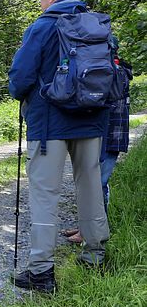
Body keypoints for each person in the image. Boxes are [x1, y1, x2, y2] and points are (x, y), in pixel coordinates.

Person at [8, 0, 110, 293]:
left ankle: (41, 272)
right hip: (92, 120)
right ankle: (95, 255)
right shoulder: (99, 26)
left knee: (45, 195)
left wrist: (20, 93)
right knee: (91, 186)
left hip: (49, 124)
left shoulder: (42, 27)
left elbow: (20, 78)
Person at [62, 59, 132, 243]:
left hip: (110, 136)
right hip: (106, 134)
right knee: (92, 182)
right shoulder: (114, 70)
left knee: (98, 183)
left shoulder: (115, 72)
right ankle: (87, 227)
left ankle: (94, 232)